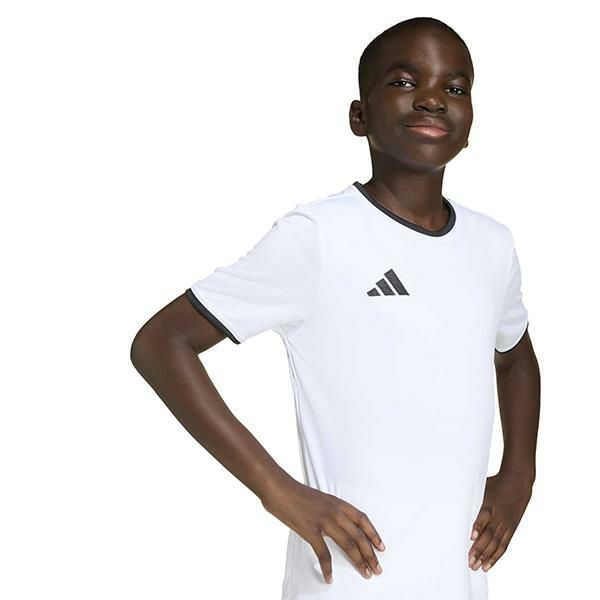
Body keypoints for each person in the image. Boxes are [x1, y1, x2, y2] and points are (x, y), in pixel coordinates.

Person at [130, 16, 541, 600]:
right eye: (404, 81)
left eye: (454, 87)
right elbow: (161, 344)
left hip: (458, 580)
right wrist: (279, 491)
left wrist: (519, 473)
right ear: (359, 116)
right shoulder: (319, 237)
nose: (431, 98)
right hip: (347, 581)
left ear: (470, 121)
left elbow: (515, 356)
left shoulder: (492, 244)